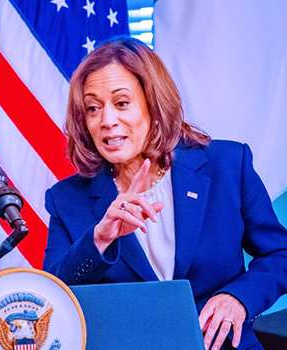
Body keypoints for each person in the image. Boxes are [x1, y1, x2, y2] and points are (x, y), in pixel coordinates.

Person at [42, 37, 287, 350]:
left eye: (121, 103)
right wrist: (100, 239)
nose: (107, 120)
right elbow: (51, 298)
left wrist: (239, 298)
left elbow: (280, 254)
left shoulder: (227, 165)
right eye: (93, 108)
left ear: (153, 105)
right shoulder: (65, 199)